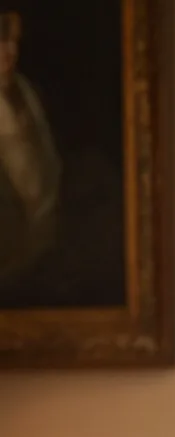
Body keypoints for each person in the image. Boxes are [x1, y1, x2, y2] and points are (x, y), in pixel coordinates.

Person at [0, 11, 60, 290]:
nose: (10, 50)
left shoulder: (27, 94)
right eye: (2, 39)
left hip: (39, 247)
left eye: (14, 40)